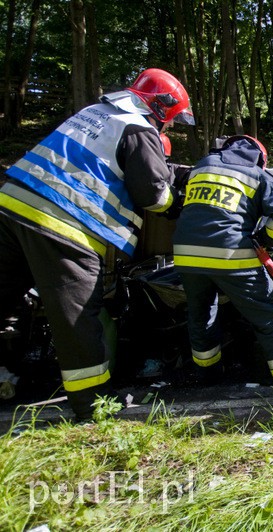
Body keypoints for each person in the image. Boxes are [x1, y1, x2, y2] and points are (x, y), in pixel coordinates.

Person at [0, 68, 193, 421]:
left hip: (11, 206)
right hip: (61, 223)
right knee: (78, 319)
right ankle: (93, 407)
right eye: (173, 119)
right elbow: (153, 194)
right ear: (161, 108)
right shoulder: (138, 126)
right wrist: (177, 202)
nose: (172, 127)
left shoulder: (94, 114)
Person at [172, 135, 273, 398]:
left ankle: (209, 377)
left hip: (186, 255)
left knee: (202, 315)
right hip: (231, 255)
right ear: (260, 159)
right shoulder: (256, 175)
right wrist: (264, 242)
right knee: (272, 318)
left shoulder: (201, 167)